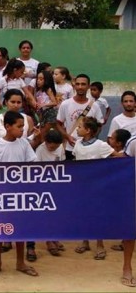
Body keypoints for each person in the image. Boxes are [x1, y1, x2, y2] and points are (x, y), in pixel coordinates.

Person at [0, 111, 38, 278]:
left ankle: (20, 262)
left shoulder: (24, 144)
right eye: (19, 126)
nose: (22, 130)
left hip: (20, 194)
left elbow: (33, 164)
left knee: (20, 229)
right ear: (7, 127)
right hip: (1, 194)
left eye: (23, 126)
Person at [73, 117, 118, 259]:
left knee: (97, 214)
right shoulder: (77, 144)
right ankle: (85, 241)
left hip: (98, 187)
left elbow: (117, 157)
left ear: (88, 130)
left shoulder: (101, 145)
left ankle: (100, 244)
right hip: (81, 186)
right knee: (83, 213)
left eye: (79, 127)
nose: (77, 129)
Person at [56, 74, 104, 160]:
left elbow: (99, 125)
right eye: (77, 84)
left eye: (83, 84)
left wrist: (90, 141)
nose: (80, 87)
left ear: (88, 86)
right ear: (74, 86)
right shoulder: (65, 104)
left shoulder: (95, 106)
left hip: (89, 150)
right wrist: (67, 137)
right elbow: (58, 124)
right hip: (70, 148)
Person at [36, 129, 66, 256]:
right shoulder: (40, 150)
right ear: (46, 142)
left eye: (57, 146)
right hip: (43, 185)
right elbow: (36, 169)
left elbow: (63, 165)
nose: (54, 148)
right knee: (46, 214)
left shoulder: (60, 148)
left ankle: (55, 238)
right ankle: (48, 240)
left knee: (56, 214)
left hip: (56, 184)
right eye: (52, 146)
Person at [122, 135, 136, 287]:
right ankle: (127, 267)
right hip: (134, 190)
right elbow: (122, 167)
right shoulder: (133, 142)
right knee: (131, 231)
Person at [34, 70, 58, 135]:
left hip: (50, 113)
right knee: (41, 131)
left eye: (41, 79)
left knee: (43, 132)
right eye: (37, 79)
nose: (38, 81)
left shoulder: (48, 90)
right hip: (42, 113)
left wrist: (43, 105)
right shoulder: (38, 91)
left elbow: (54, 102)